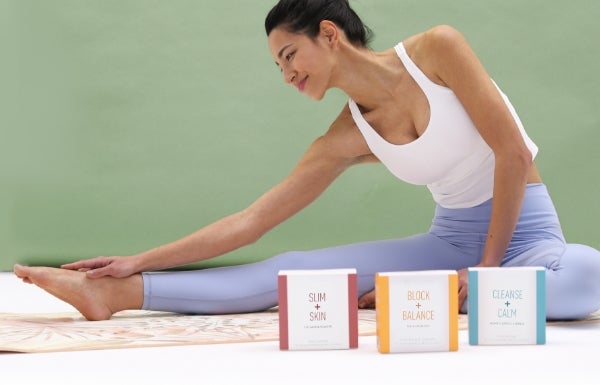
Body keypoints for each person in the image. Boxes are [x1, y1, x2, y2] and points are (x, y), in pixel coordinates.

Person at [14, 0, 600, 321]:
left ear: (329, 34)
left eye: (290, 55)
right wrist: (137, 261)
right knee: (290, 270)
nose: (288, 74)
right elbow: (253, 221)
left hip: (528, 238)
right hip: (448, 247)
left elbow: (512, 153)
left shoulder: (437, 50)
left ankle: (439, 294)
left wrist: (487, 273)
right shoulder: (346, 136)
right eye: (279, 67)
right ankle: (115, 297)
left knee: (586, 275)